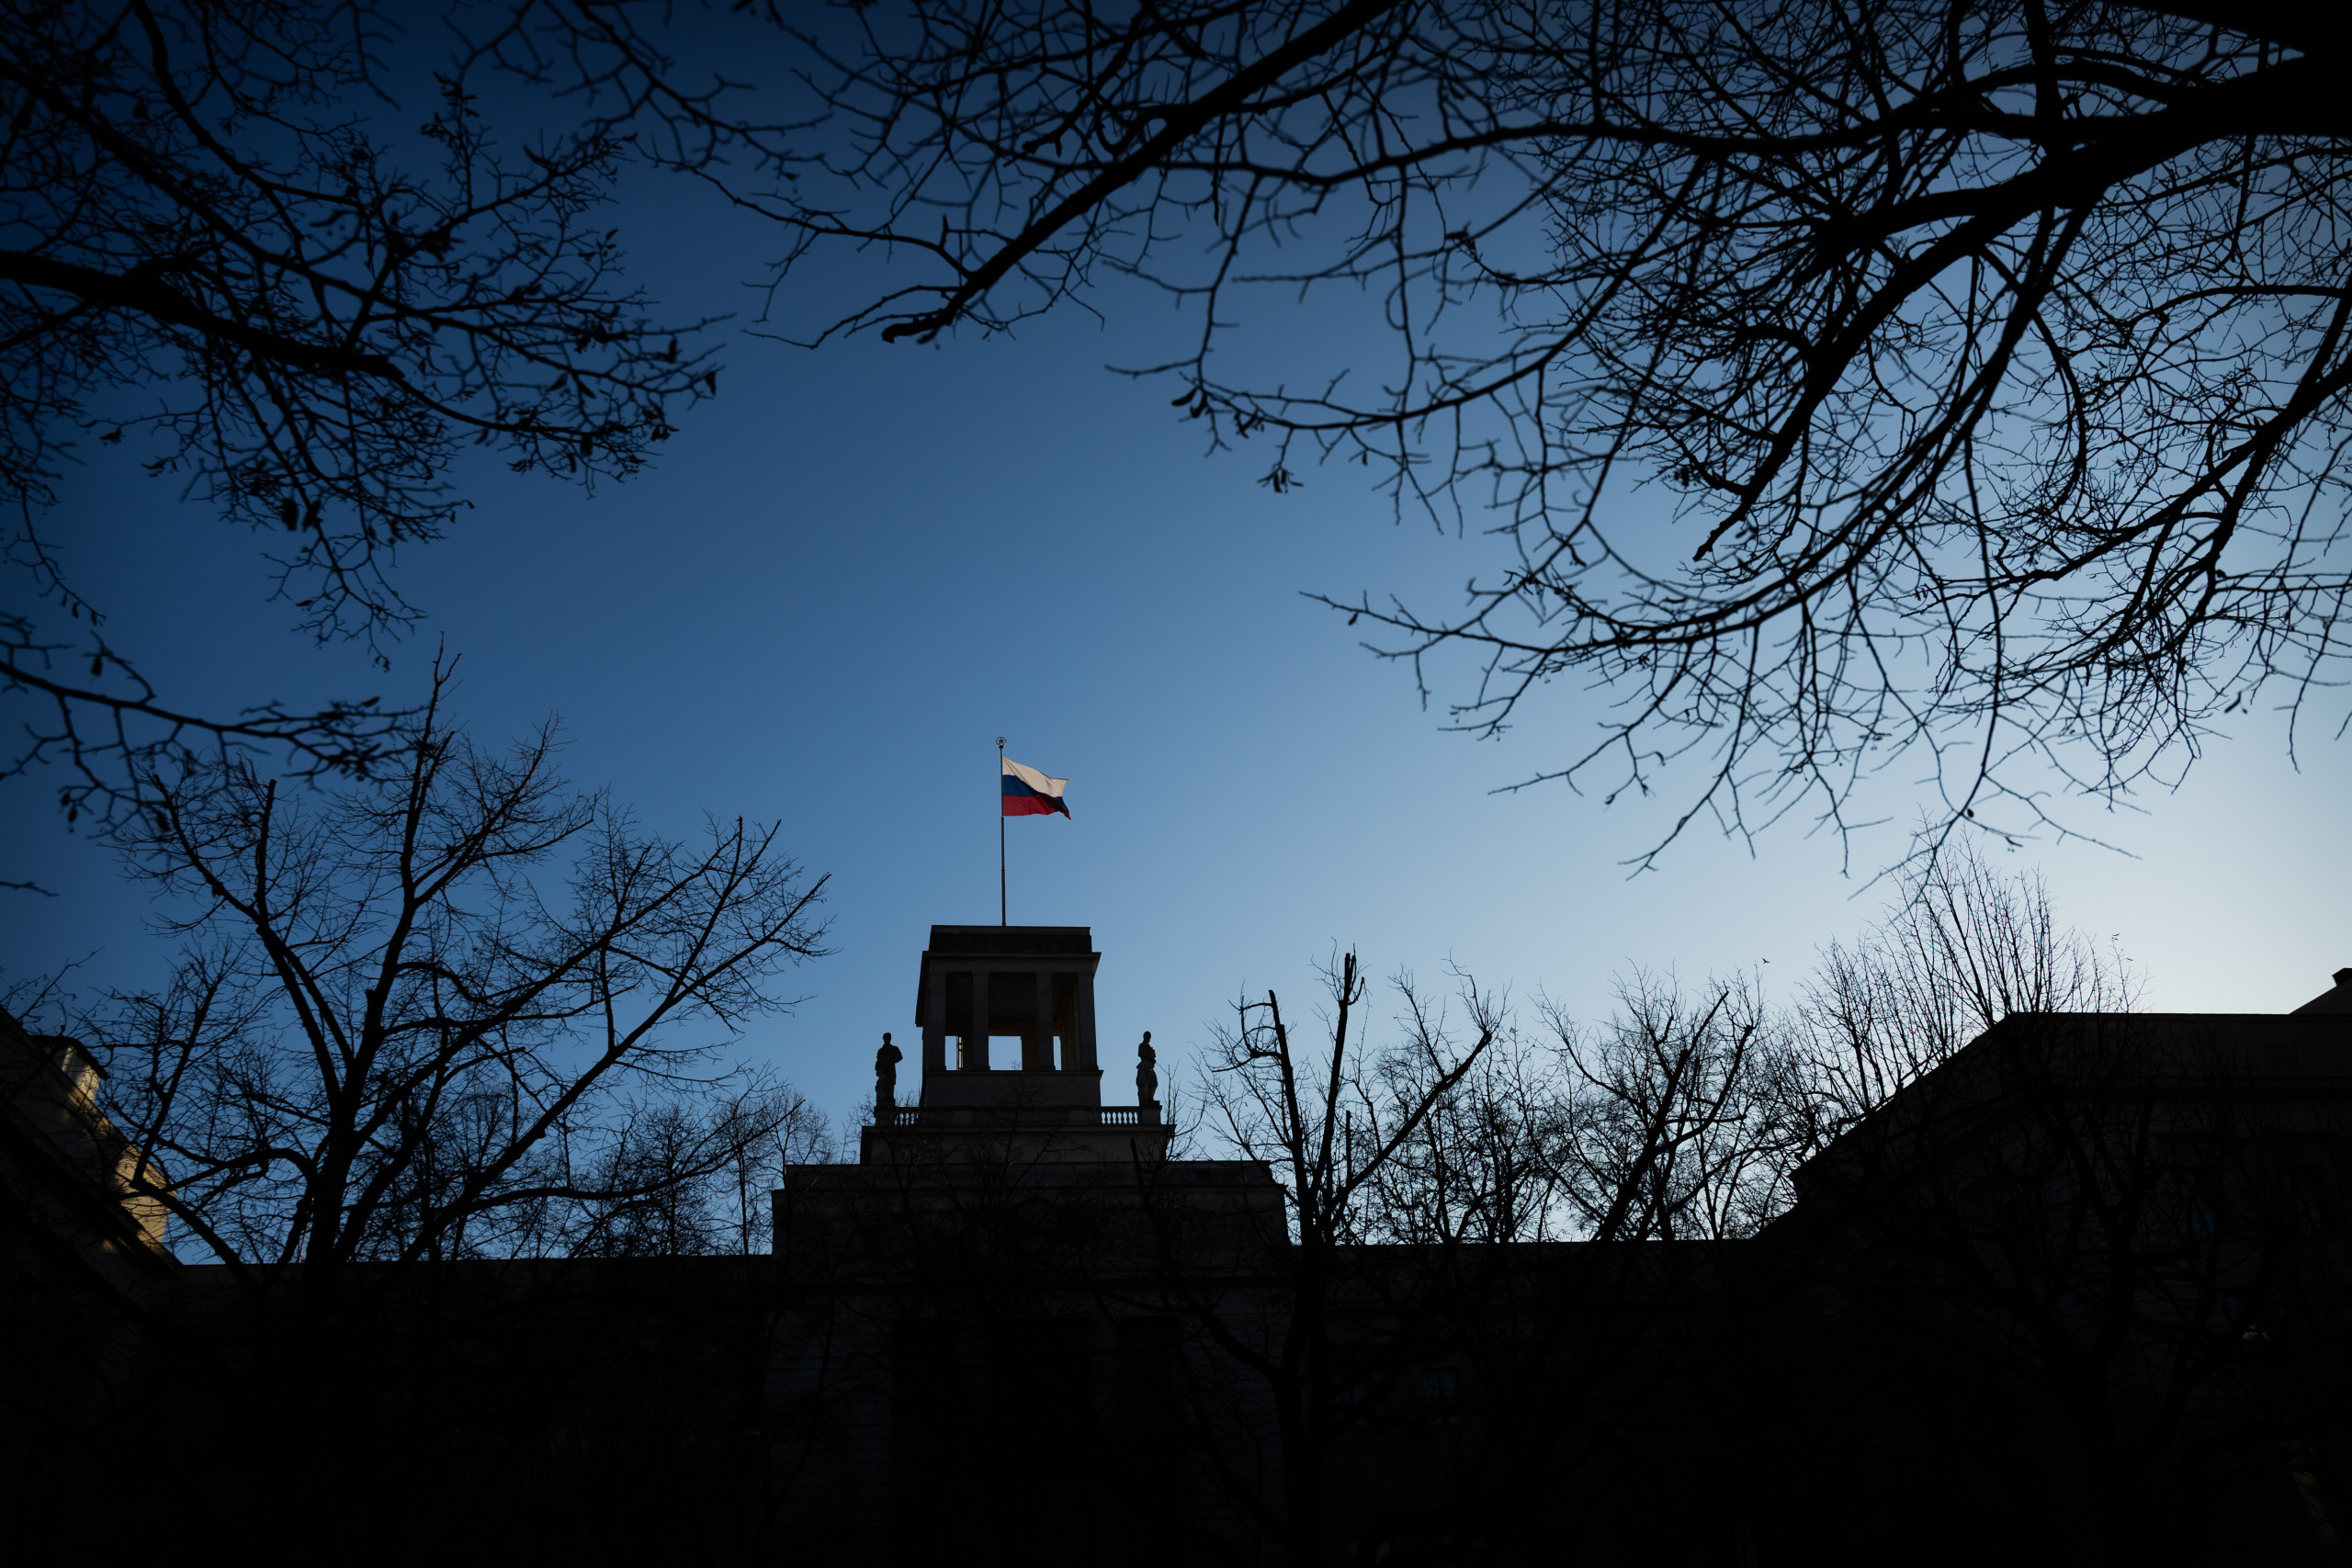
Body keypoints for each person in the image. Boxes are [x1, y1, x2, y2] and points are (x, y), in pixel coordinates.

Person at [875, 1032, 903, 1112]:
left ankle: (890, 1099)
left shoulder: (894, 1048)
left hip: (890, 1069)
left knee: (890, 1084)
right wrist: (878, 1068)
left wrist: (892, 1062)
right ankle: (883, 1100)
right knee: (883, 1084)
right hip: (883, 1070)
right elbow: (878, 1061)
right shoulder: (881, 1050)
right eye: (886, 1038)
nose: (887, 1039)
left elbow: (900, 1057)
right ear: (884, 1039)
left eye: (889, 1038)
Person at [1136, 1032, 1158, 1106]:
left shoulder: (1150, 1047)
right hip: (1144, 1065)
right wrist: (1150, 1057)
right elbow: (1140, 1054)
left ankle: (1150, 1098)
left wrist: (1152, 1057)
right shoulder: (1142, 1045)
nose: (1148, 1039)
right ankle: (1147, 1099)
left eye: (1149, 1037)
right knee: (1145, 1082)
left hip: (1150, 1066)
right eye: (1147, 1037)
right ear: (1144, 1037)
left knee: (1154, 1083)